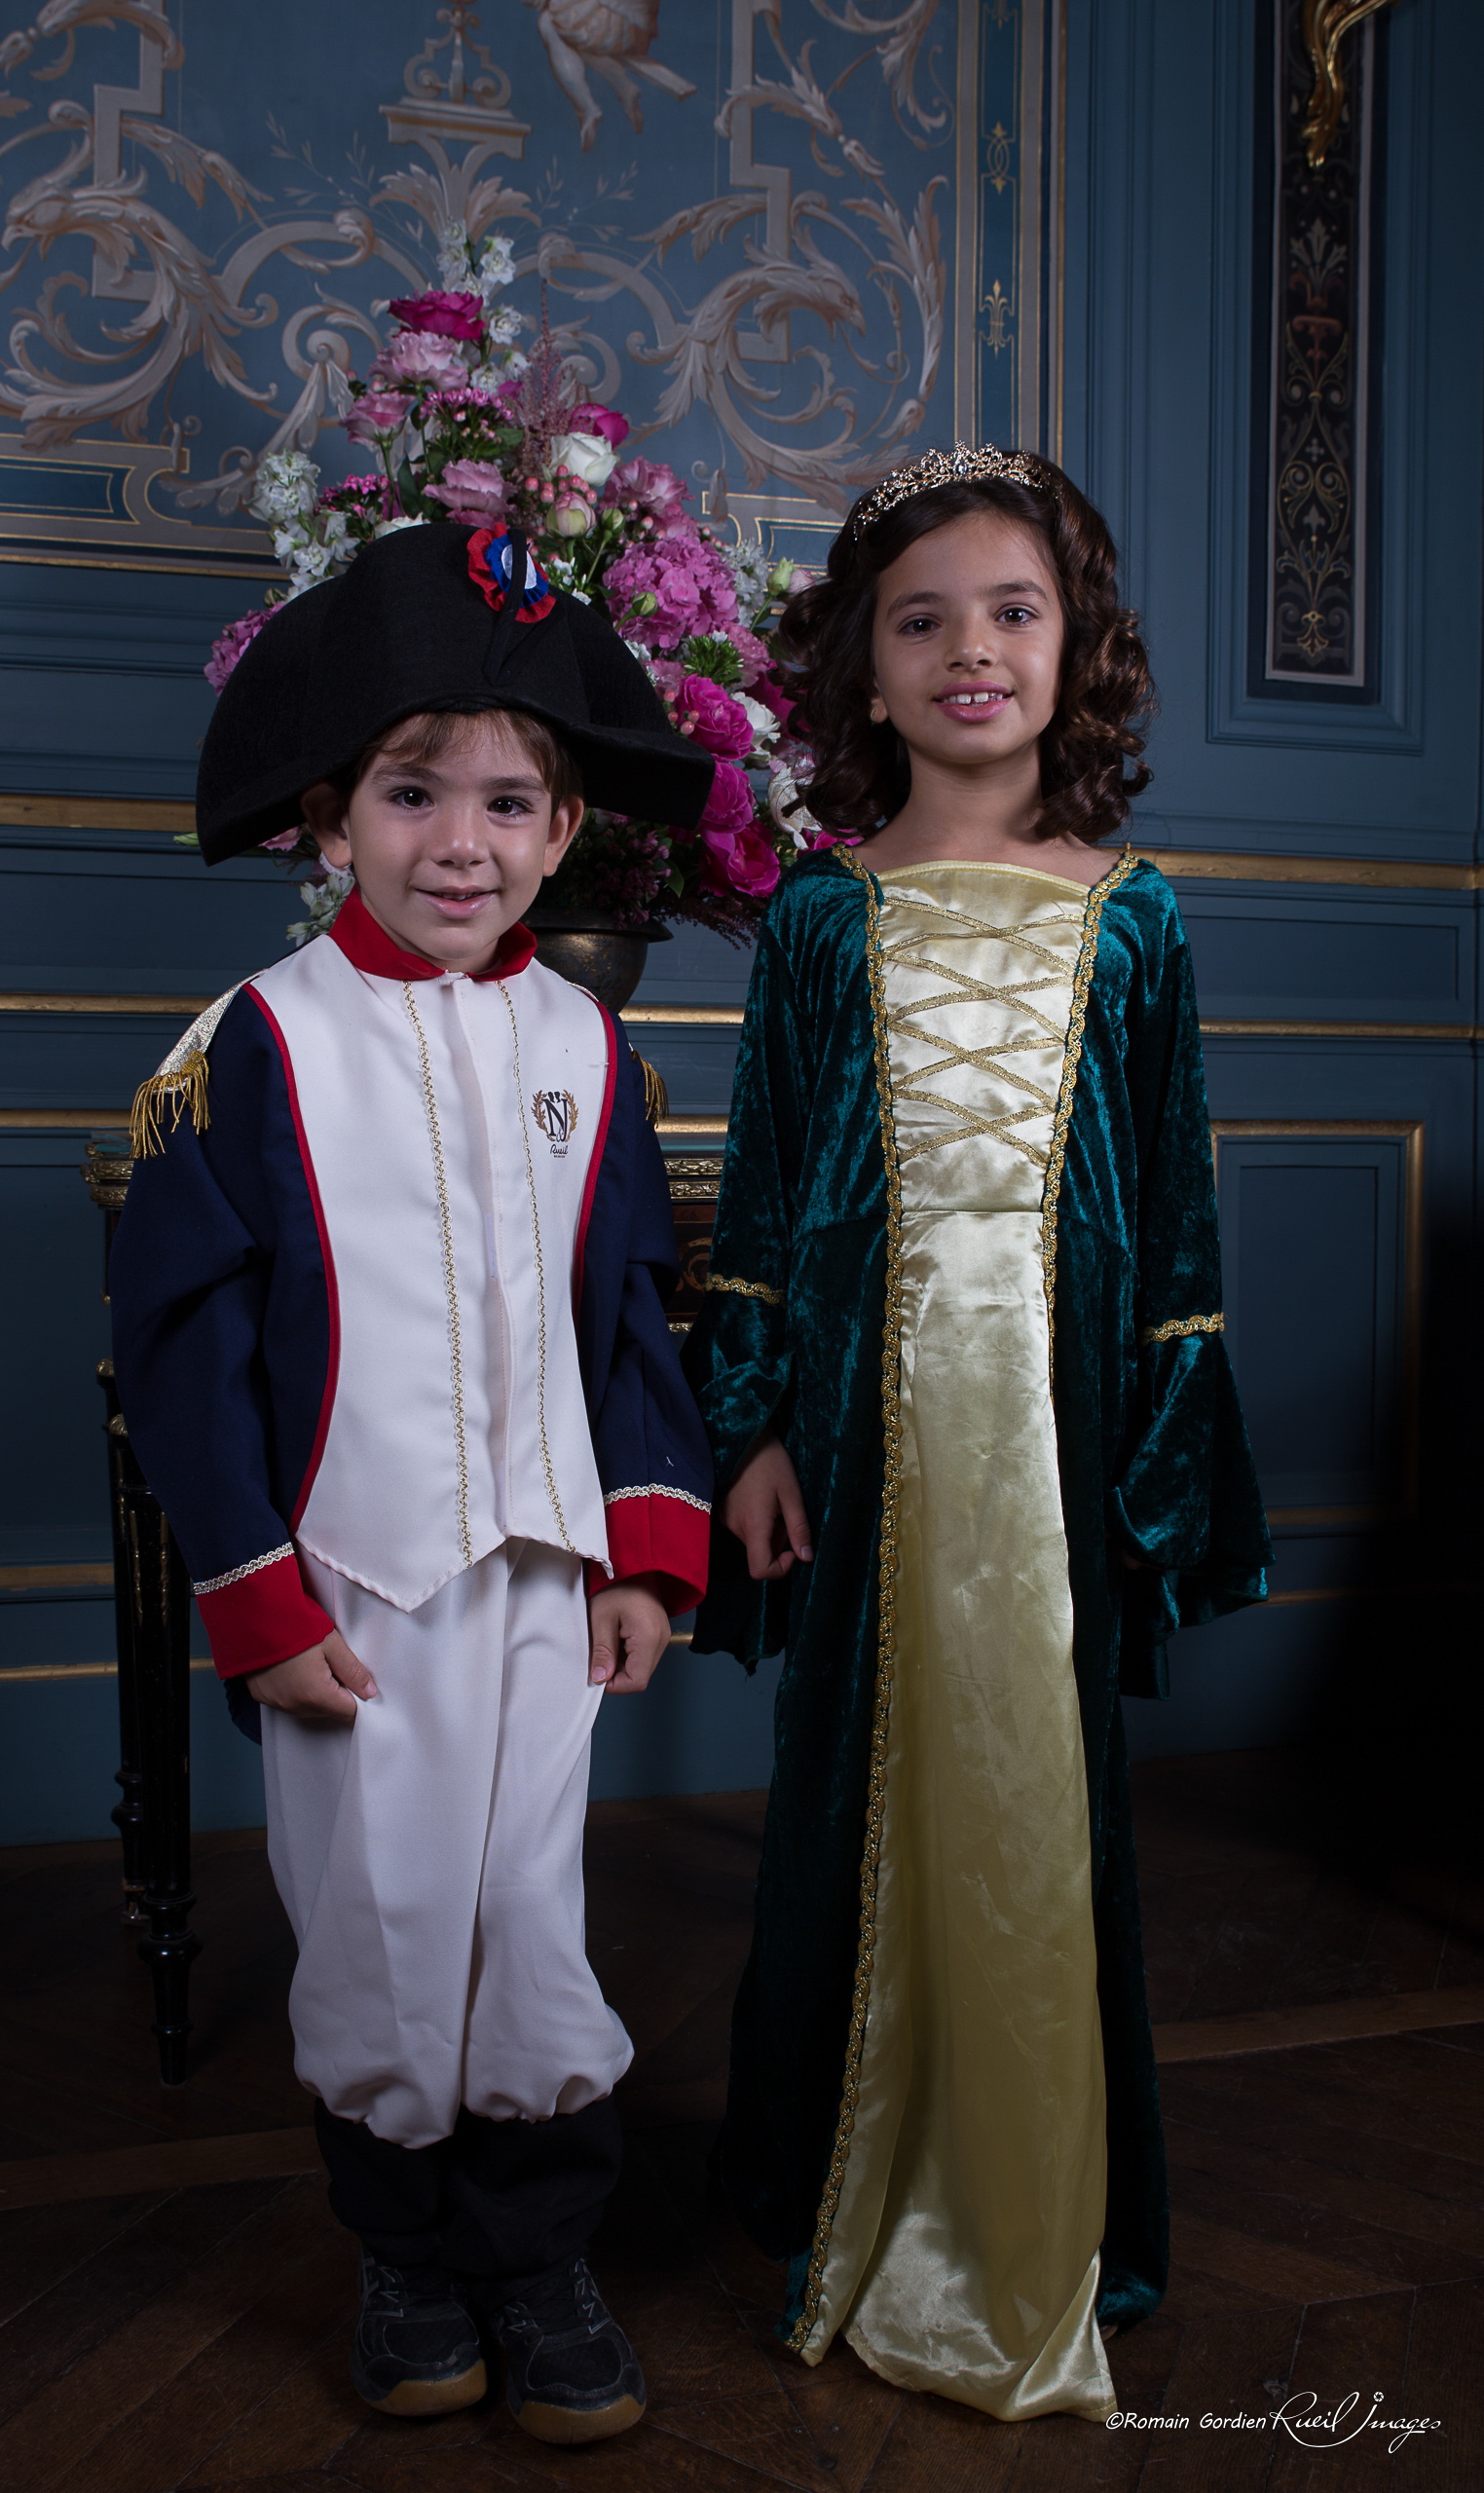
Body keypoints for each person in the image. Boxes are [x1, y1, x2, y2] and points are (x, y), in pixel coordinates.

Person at [109, 521, 716, 2447]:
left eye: (507, 803)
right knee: (376, 1922)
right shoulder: (256, 1045)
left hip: (543, 1579)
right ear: (329, 818)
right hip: (348, 1586)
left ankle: (537, 2255)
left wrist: (644, 1549)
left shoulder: (588, 1047)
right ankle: (405, 2252)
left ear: (564, 831)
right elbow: (184, 1349)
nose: (461, 842)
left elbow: (629, 1314)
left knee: (528, 1911)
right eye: (411, 794)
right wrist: (256, 1595)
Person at [683, 445, 1271, 2420]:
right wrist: (751, 1429)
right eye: (919, 619)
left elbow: (1171, 1221)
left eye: (1012, 611)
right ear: (861, 670)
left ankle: (1043, 2191)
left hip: (1055, 1438)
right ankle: (824, 2172)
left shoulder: (1136, 915)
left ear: (1074, 647)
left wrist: (1155, 1467)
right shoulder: (816, 917)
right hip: (861, 1440)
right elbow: (764, 1203)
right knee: (847, 1772)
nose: (969, 649)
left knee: (1039, 1789)